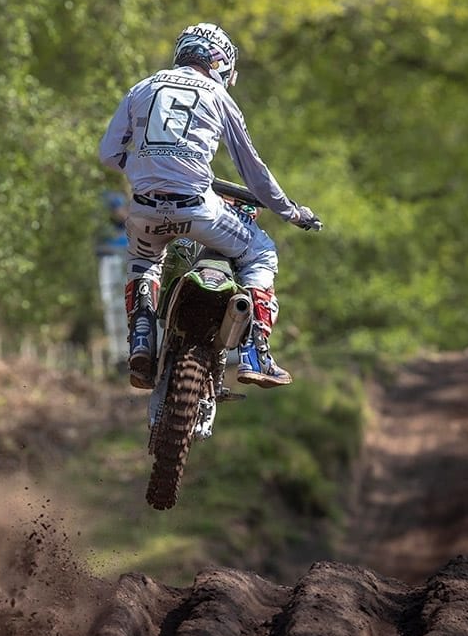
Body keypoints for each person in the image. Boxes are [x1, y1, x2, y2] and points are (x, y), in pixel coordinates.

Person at [98, 22, 322, 390]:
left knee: (144, 262)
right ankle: (255, 353)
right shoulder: (219, 98)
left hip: (144, 209)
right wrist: (292, 212)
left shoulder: (142, 87)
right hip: (199, 208)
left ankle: (141, 337)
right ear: (219, 63)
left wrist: (143, 168)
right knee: (262, 252)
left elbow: (109, 154)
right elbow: (255, 174)